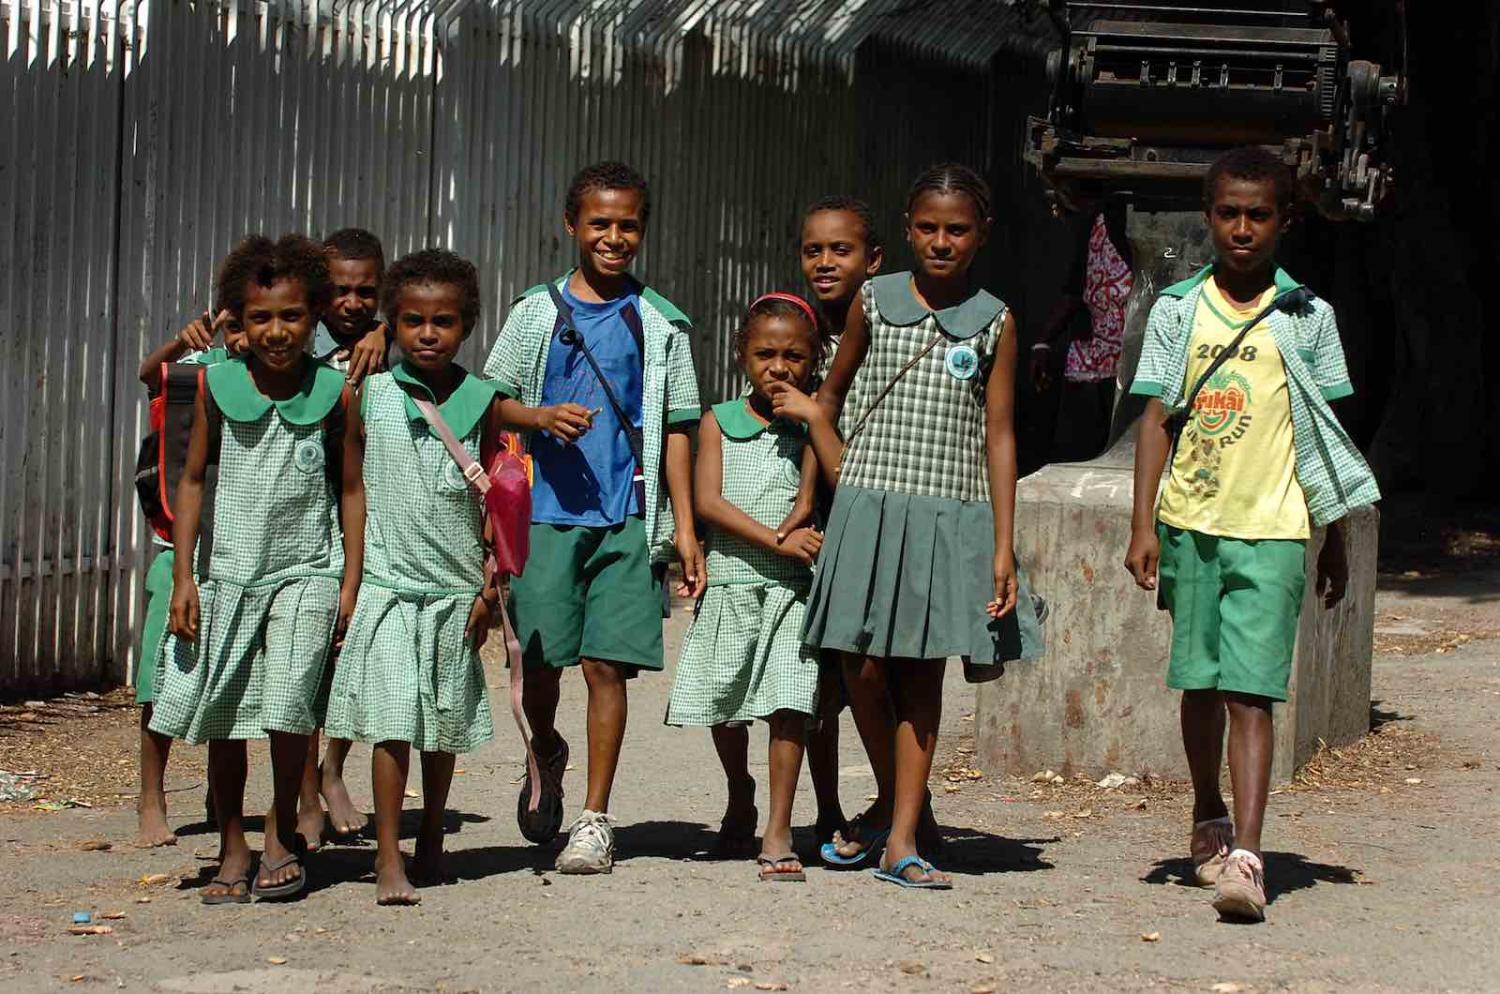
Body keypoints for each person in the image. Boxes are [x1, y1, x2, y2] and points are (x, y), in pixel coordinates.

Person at [1123, 146, 1379, 922]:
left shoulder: (1310, 317)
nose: (1242, 228)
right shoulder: (1177, 311)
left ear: (1284, 221)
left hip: (1275, 527)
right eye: (1228, 213)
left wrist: (1330, 535)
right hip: (1192, 525)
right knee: (1199, 682)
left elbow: (1323, 431)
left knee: (1253, 691)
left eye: (1258, 214)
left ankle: (1248, 858)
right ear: (1208, 218)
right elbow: (1155, 421)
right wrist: (1143, 525)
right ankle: (1209, 814)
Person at [798, 164, 1044, 889]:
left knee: (920, 675)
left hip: (949, 514)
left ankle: (902, 838)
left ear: (982, 236)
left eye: (957, 230)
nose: (942, 242)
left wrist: (1002, 544)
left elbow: (1000, 434)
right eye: (929, 228)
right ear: (907, 232)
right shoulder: (871, 301)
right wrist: (811, 496)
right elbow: (832, 397)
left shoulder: (996, 319)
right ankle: (892, 800)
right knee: (860, 665)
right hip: (868, 508)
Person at [484, 160, 704, 875]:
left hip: (627, 520)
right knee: (543, 663)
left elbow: (678, 427)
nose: (614, 236)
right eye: (600, 223)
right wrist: (540, 417)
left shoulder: (663, 323)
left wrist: (684, 528)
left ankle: (594, 818)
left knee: (609, 667)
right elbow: (490, 400)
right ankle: (545, 747)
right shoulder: (535, 313)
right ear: (571, 226)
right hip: (547, 518)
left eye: (628, 223)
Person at [150, 234, 362, 904]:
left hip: (307, 572)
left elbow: (352, 490)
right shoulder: (217, 384)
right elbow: (190, 482)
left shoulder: (336, 392)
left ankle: (278, 834)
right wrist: (186, 576)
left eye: (293, 316)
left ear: (314, 314)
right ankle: (232, 848)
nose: (277, 331)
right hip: (231, 572)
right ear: (238, 319)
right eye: (261, 317)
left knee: (289, 707)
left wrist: (349, 583)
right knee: (225, 714)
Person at [325, 249, 514, 904]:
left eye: (444, 321)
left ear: (467, 326)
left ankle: (432, 836)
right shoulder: (367, 393)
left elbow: (502, 501)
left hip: (456, 591)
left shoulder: (483, 401)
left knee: (444, 724)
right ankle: (387, 855)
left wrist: (490, 590)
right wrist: (351, 584)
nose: (428, 333)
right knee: (393, 720)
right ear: (391, 324)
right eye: (411, 321)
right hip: (386, 588)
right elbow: (351, 488)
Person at [666, 294, 824, 881]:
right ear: (741, 356)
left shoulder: (815, 422)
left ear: (814, 360)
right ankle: (740, 786)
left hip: (793, 590)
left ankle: (778, 830)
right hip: (733, 582)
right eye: (764, 354)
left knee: (789, 706)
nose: (778, 368)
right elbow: (707, 501)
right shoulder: (719, 420)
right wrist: (775, 539)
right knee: (726, 707)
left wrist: (816, 421)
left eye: (793, 356)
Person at [132, 307, 246, 848]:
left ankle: (220, 796)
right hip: (178, 550)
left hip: (246, 556)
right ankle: (151, 795)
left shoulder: (288, 378)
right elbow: (148, 373)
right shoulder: (198, 367)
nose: (253, 337)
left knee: (236, 683)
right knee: (162, 676)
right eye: (240, 324)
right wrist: (181, 340)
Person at [302, 226, 390, 845]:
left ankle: (332, 767)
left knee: (354, 657)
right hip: (306, 525)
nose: (352, 305)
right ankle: (307, 785)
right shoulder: (292, 352)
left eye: (366, 292)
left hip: (373, 522)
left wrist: (387, 339)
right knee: (308, 657)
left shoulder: (396, 352)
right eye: (339, 291)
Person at [1028, 200, 1133, 461]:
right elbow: (1076, 288)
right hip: (1092, 357)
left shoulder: (1143, 227)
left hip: (1133, 356)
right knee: (1081, 447)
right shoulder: (1094, 224)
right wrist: (1043, 343)